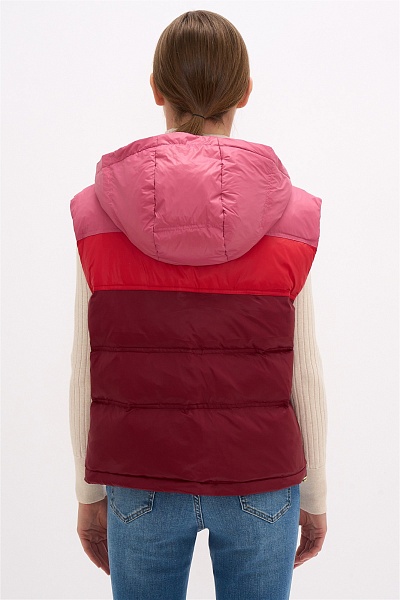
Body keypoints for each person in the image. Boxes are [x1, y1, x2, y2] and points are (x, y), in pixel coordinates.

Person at [69, 9, 328, 600]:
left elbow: (87, 365)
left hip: (139, 476)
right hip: (261, 478)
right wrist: (313, 495)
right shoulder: (291, 217)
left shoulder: (98, 212)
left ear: (156, 89)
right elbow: (305, 371)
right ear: (245, 91)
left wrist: (88, 493)